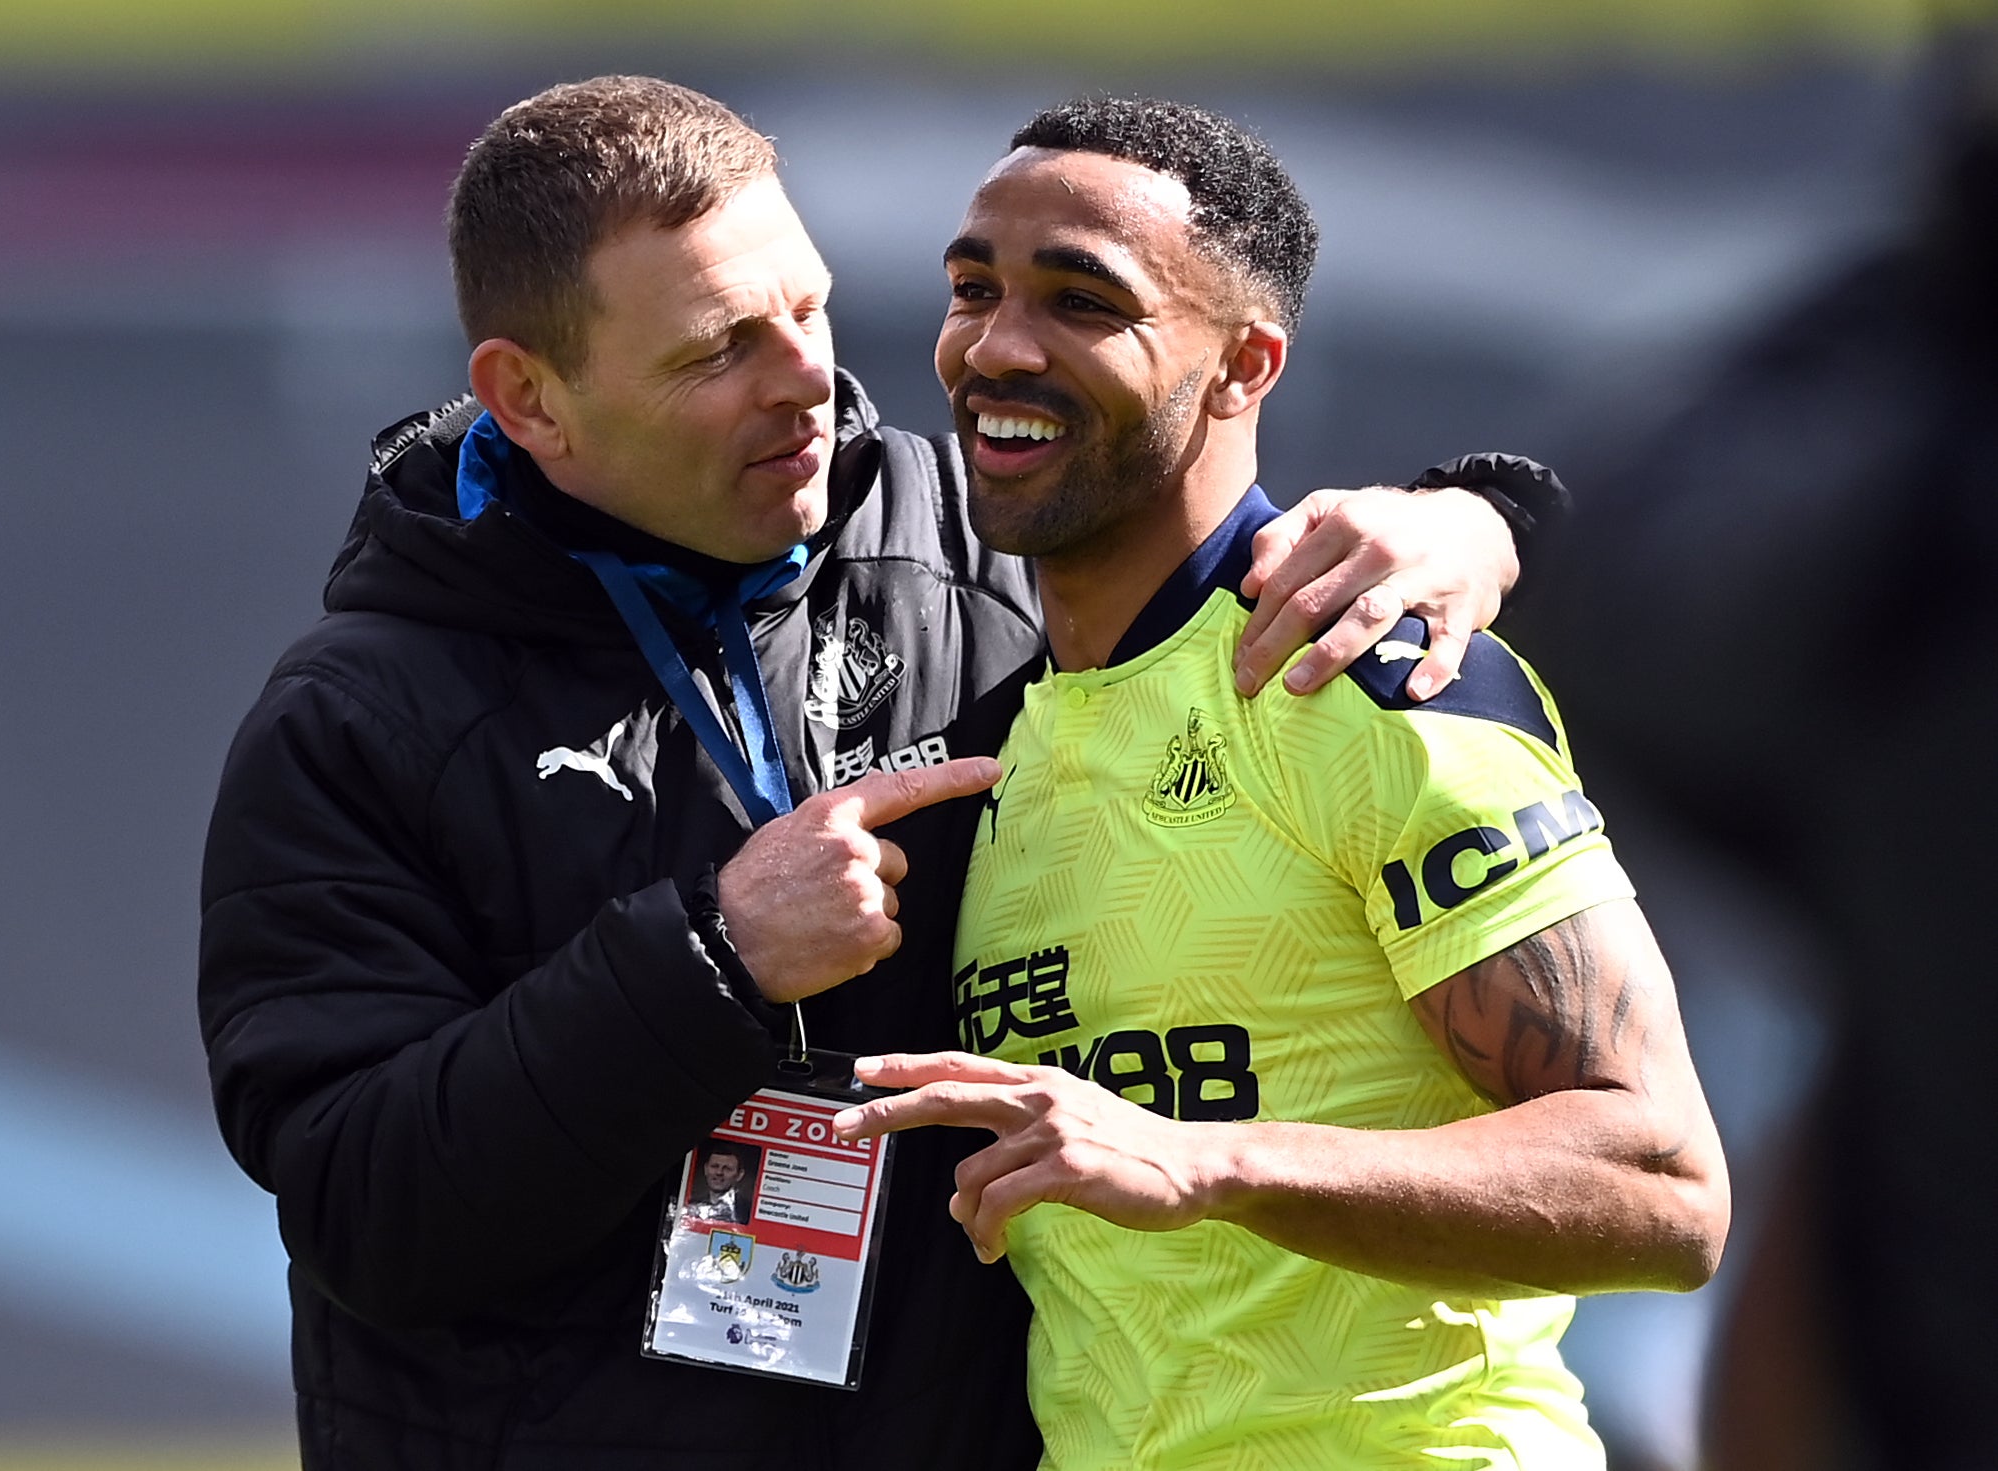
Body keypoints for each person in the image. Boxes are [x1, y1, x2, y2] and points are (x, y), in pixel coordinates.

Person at [198, 76, 1552, 1469]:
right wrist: (713, 958)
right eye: (717, 351)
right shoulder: (357, 720)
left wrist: (1475, 516)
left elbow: (1242, 538)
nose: (800, 379)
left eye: (809, 308)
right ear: (528, 398)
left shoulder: (989, 543)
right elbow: (363, 1206)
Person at [833, 97, 1730, 1469]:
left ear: (1243, 364)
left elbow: (1662, 1184)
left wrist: (1210, 1159)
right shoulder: (987, 732)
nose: (997, 345)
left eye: (1083, 301)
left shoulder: (1365, 679)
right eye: (973, 289)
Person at [688, 1145, 757, 1223]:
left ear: (739, 1175)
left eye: (727, 1169)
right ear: (706, 1169)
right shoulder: (691, 1205)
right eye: (714, 1166)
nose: (719, 1172)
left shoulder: (749, 1211)